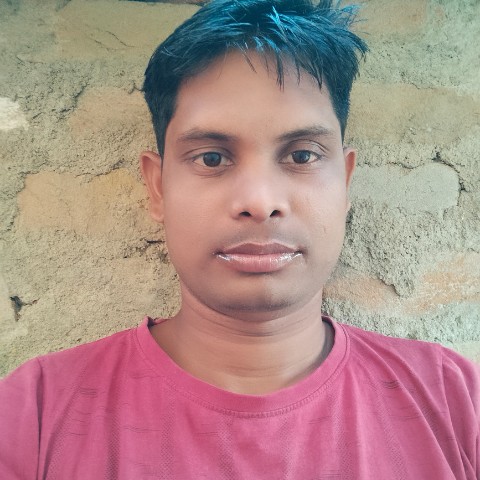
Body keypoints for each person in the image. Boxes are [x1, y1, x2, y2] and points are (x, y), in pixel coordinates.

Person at [1, 0, 479, 478]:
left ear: (346, 182)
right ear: (158, 187)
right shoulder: (34, 416)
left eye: (302, 155)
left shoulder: (456, 402)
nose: (259, 201)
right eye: (212, 158)